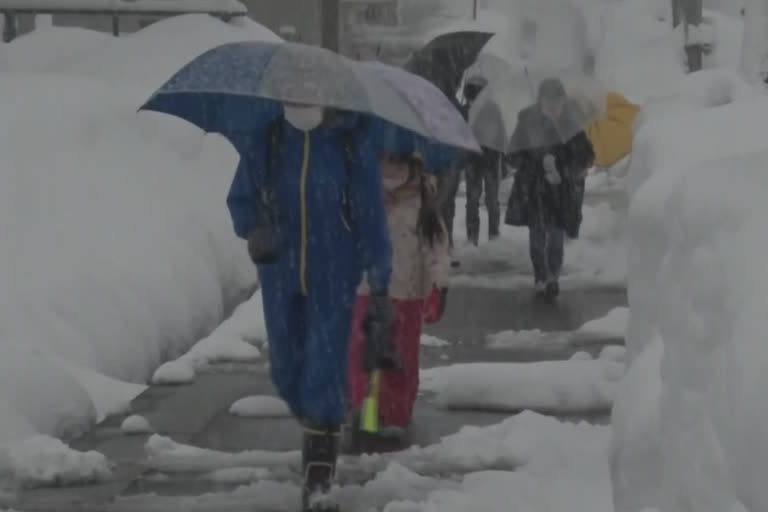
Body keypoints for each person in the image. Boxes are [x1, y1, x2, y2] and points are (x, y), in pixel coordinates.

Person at [226, 103, 393, 512]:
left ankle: (319, 478)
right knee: (287, 371)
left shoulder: (350, 144)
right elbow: (241, 198)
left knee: (322, 369)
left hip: (334, 273)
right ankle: (321, 429)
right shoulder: (267, 140)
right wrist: (254, 229)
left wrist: (380, 277)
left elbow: (371, 214)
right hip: (279, 273)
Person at [346, 151, 450, 445]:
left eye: (399, 163)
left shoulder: (423, 209)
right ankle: (359, 407)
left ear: (413, 167)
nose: (392, 170)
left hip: (405, 296)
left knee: (400, 359)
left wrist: (438, 285)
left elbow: (437, 251)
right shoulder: (362, 201)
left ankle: (395, 414)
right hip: (366, 291)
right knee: (359, 355)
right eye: (386, 162)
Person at [505, 78, 595, 300]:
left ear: (564, 101)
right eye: (548, 99)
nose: (553, 104)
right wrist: (534, 163)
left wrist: (560, 167)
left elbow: (586, 157)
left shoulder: (572, 125)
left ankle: (553, 275)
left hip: (561, 191)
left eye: (557, 99)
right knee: (537, 234)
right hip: (535, 188)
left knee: (556, 235)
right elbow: (513, 154)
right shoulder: (527, 121)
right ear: (540, 100)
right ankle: (540, 276)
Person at [462, 77, 504, 246]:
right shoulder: (466, 111)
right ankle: (473, 238)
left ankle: (492, 235)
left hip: (489, 160)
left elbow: (500, 134)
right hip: (475, 160)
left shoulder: (492, 110)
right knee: (474, 200)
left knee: (490, 200)